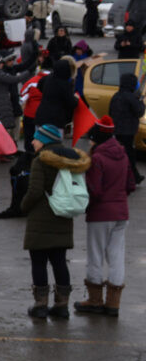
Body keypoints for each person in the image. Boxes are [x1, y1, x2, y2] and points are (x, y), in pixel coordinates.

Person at [21, 124, 91, 319]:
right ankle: (62, 306)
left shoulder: (41, 160)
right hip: (63, 216)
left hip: (41, 219)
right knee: (59, 262)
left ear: (44, 140)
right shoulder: (70, 159)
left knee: (39, 262)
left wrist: (23, 206)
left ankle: (40, 306)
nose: (32, 142)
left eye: (36, 138)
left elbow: (35, 191)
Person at [73, 117, 136, 317]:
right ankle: (113, 303)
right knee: (116, 256)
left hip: (100, 214)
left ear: (97, 137)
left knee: (95, 255)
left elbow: (95, 190)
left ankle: (94, 300)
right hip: (121, 213)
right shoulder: (123, 154)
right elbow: (131, 184)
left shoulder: (98, 158)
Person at [0, 51, 30, 149]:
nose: (2, 65)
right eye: (1, 63)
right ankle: (5, 151)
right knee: (5, 131)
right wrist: (29, 72)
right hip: (3, 104)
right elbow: (15, 79)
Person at [108, 72, 146, 183]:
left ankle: (130, 175)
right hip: (128, 131)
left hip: (117, 130)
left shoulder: (116, 96)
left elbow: (110, 112)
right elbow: (140, 112)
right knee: (129, 154)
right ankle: (133, 177)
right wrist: (141, 102)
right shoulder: (131, 97)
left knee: (121, 153)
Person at [34, 55, 77, 133]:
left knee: (39, 139)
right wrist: (76, 99)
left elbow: (39, 85)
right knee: (54, 140)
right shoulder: (65, 84)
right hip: (56, 120)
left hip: (41, 116)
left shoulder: (48, 78)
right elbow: (71, 102)